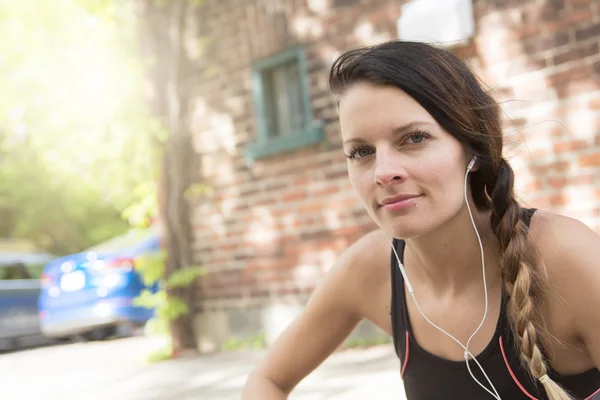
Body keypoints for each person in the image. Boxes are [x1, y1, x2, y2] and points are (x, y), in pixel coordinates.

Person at [241, 40, 600, 400]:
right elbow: (267, 381)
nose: (384, 172)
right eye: (361, 151)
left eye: (414, 138)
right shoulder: (369, 269)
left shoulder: (563, 256)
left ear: (472, 148)